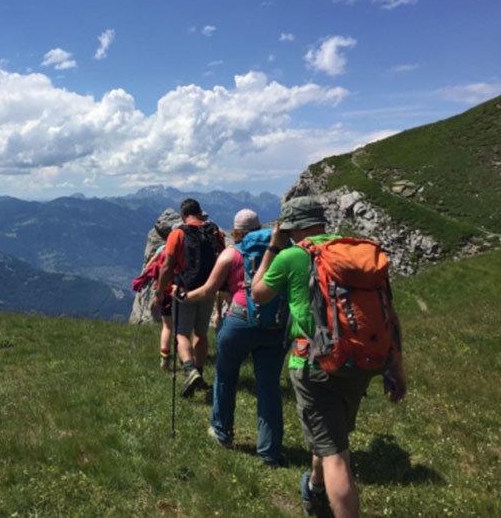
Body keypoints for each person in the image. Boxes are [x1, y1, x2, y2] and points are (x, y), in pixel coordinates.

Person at [250, 196, 407, 518]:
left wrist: (273, 248)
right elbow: (390, 315)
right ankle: (315, 490)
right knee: (332, 437)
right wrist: (396, 369)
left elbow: (258, 293)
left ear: (291, 227)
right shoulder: (360, 256)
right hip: (360, 361)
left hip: (313, 365)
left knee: (337, 456)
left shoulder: (292, 256)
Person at [177, 208, 287, 465]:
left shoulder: (232, 253)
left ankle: (222, 431)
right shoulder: (280, 251)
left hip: (239, 319)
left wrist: (183, 297)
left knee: (226, 377)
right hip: (275, 324)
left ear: (237, 232)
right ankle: (270, 451)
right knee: (269, 387)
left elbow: (207, 290)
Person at [157, 198, 223, 397]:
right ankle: (200, 374)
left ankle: (189, 369)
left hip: (184, 291)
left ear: (183, 215)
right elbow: (221, 256)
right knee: (201, 334)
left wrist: (161, 291)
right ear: (200, 213)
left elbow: (167, 266)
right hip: (207, 290)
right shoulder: (215, 232)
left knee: (182, 334)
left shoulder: (177, 234)